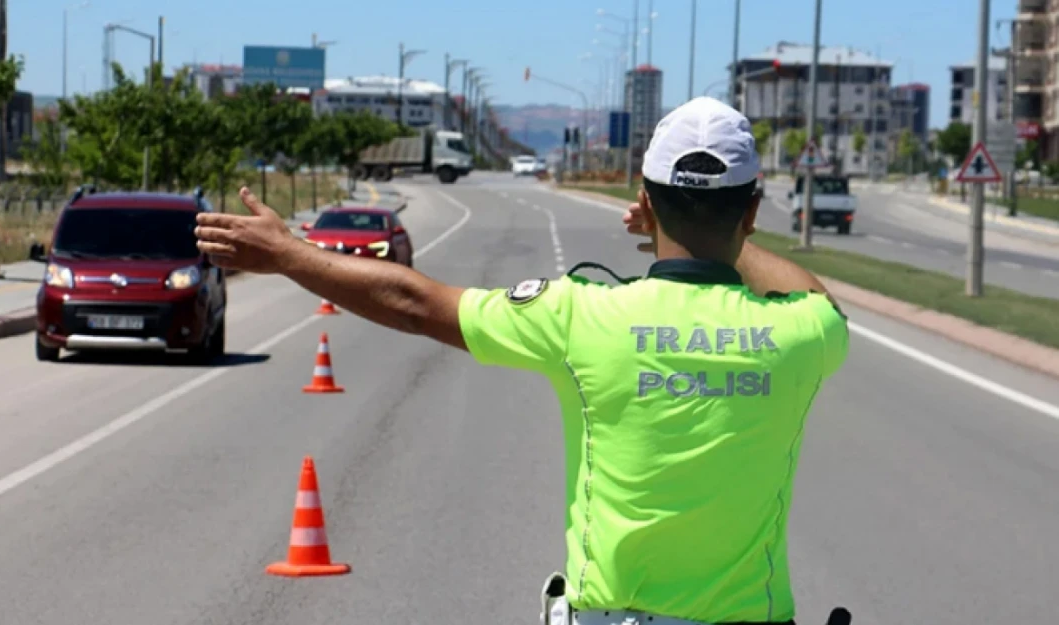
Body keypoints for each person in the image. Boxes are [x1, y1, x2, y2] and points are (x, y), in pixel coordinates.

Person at [193, 96, 849, 625]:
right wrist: (729, 244)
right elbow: (818, 298)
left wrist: (289, 253)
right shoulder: (799, 333)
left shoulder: (583, 316)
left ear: (644, 202)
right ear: (754, 210)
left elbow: (414, 302)